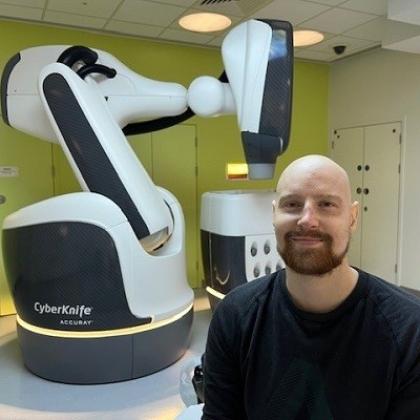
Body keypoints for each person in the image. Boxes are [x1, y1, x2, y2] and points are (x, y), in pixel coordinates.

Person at [202, 154, 420, 420]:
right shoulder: (234, 316)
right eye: (292, 204)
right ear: (274, 215)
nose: (307, 220)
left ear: (352, 218)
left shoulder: (409, 331)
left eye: (326, 204)